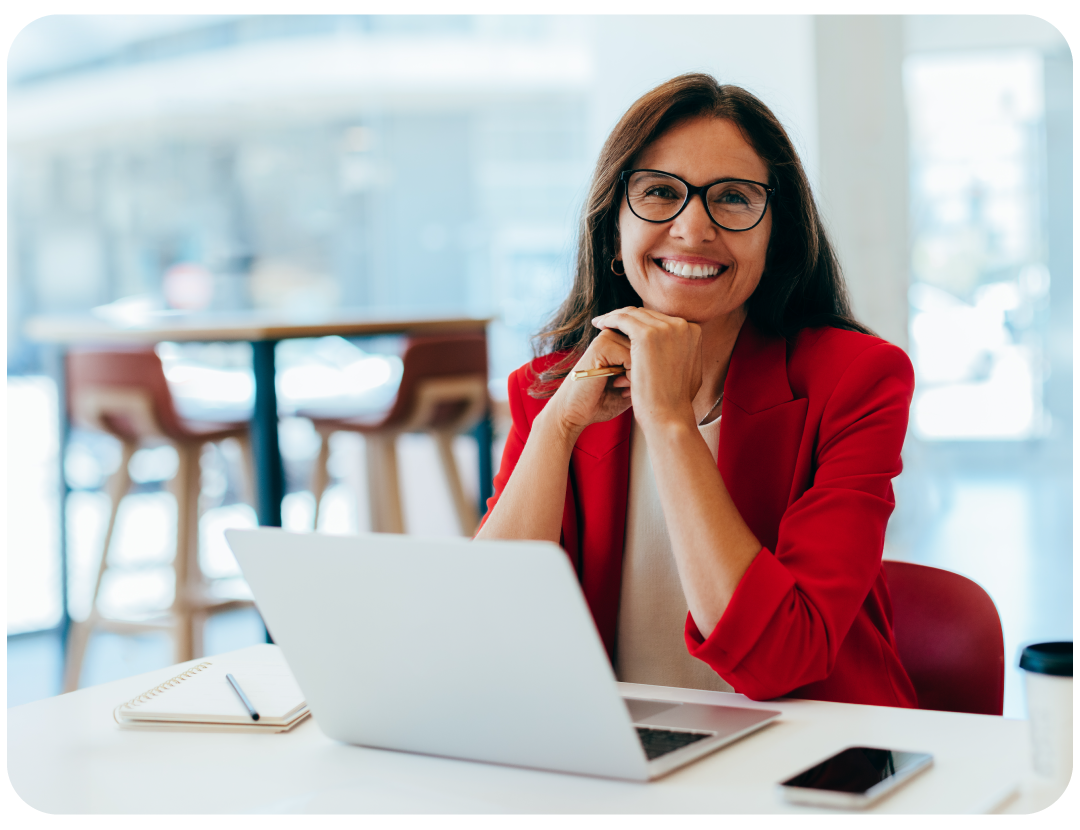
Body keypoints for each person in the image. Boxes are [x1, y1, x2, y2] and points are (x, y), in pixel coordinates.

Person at [476, 73, 918, 708]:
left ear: (777, 234)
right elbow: (492, 630)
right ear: (612, 230)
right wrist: (558, 425)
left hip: (816, 756)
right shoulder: (545, 390)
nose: (693, 228)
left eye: (733, 198)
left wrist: (671, 421)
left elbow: (781, 659)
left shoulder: (857, 379)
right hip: (619, 760)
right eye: (659, 192)